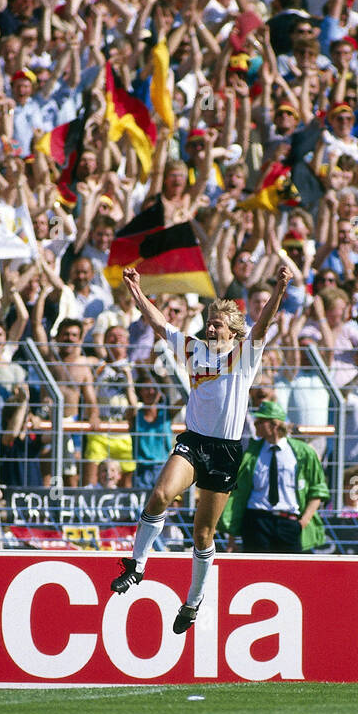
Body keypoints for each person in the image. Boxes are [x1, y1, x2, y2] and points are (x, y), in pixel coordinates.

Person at [109, 265, 290, 635]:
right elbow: (161, 326)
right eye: (209, 322)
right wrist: (137, 291)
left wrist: (281, 287)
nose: (211, 328)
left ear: (233, 331)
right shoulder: (194, 350)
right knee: (160, 494)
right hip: (194, 441)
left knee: (203, 534)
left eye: (218, 324)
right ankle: (137, 564)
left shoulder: (246, 353)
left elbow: (265, 322)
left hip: (225, 452)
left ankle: (193, 601)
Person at [219, 400, 329, 554]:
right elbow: (238, 493)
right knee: (257, 571)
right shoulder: (251, 452)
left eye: (260, 421)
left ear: (274, 424)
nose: (255, 425)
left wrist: (303, 521)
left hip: (289, 522)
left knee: (290, 573)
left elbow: (318, 489)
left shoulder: (303, 452)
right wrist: (231, 537)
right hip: (256, 521)